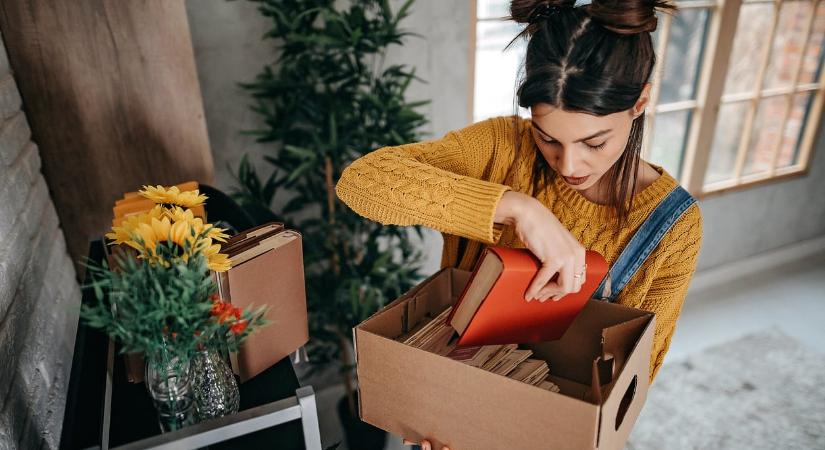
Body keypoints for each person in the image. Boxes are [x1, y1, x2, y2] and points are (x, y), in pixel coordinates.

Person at [334, 0, 702, 448]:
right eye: (547, 138)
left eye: (594, 141)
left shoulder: (673, 228)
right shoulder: (501, 148)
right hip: (448, 409)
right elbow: (361, 183)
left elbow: (633, 381)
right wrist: (518, 208)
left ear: (640, 101)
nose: (570, 164)